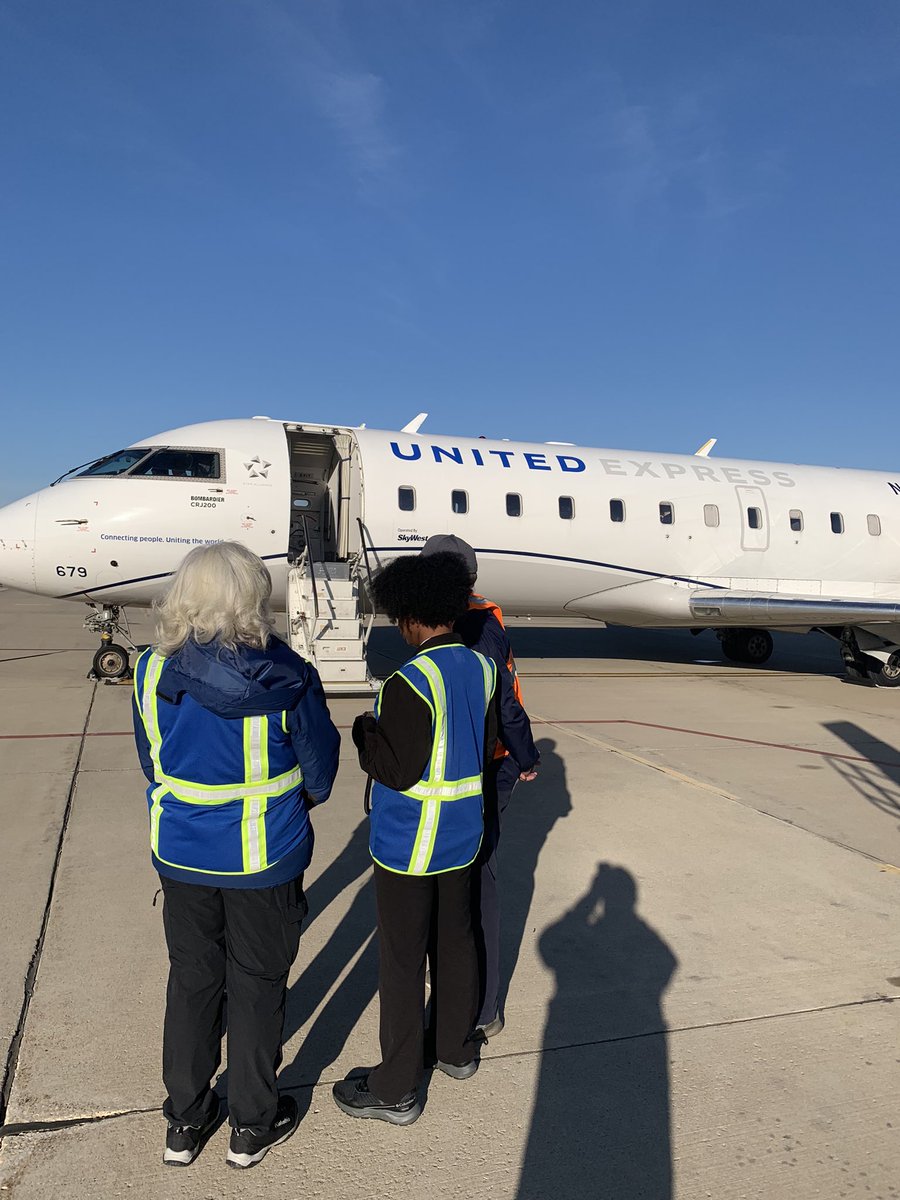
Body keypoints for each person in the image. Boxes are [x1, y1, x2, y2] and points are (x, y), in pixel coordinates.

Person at [132, 542, 340, 1169]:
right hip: (262, 858)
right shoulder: (289, 675)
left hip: (180, 854)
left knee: (193, 981)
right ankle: (251, 1123)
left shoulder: (150, 669)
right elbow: (321, 773)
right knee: (257, 985)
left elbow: (152, 759)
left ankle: (185, 1121)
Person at [332, 551, 498, 1125]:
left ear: (410, 617)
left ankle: (398, 1086)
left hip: (410, 843)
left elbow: (395, 769)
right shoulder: (481, 668)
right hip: (463, 835)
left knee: (402, 962)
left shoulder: (411, 679)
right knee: (456, 942)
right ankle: (455, 1050)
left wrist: (364, 732)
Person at [420, 534, 539, 1038]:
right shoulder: (474, 622)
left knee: (475, 885)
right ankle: (465, 1002)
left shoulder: (476, 630)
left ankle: (481, 1006)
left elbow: (502, 702)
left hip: (483, 770)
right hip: (469, 767)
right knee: (461, 885)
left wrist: (524, 755)